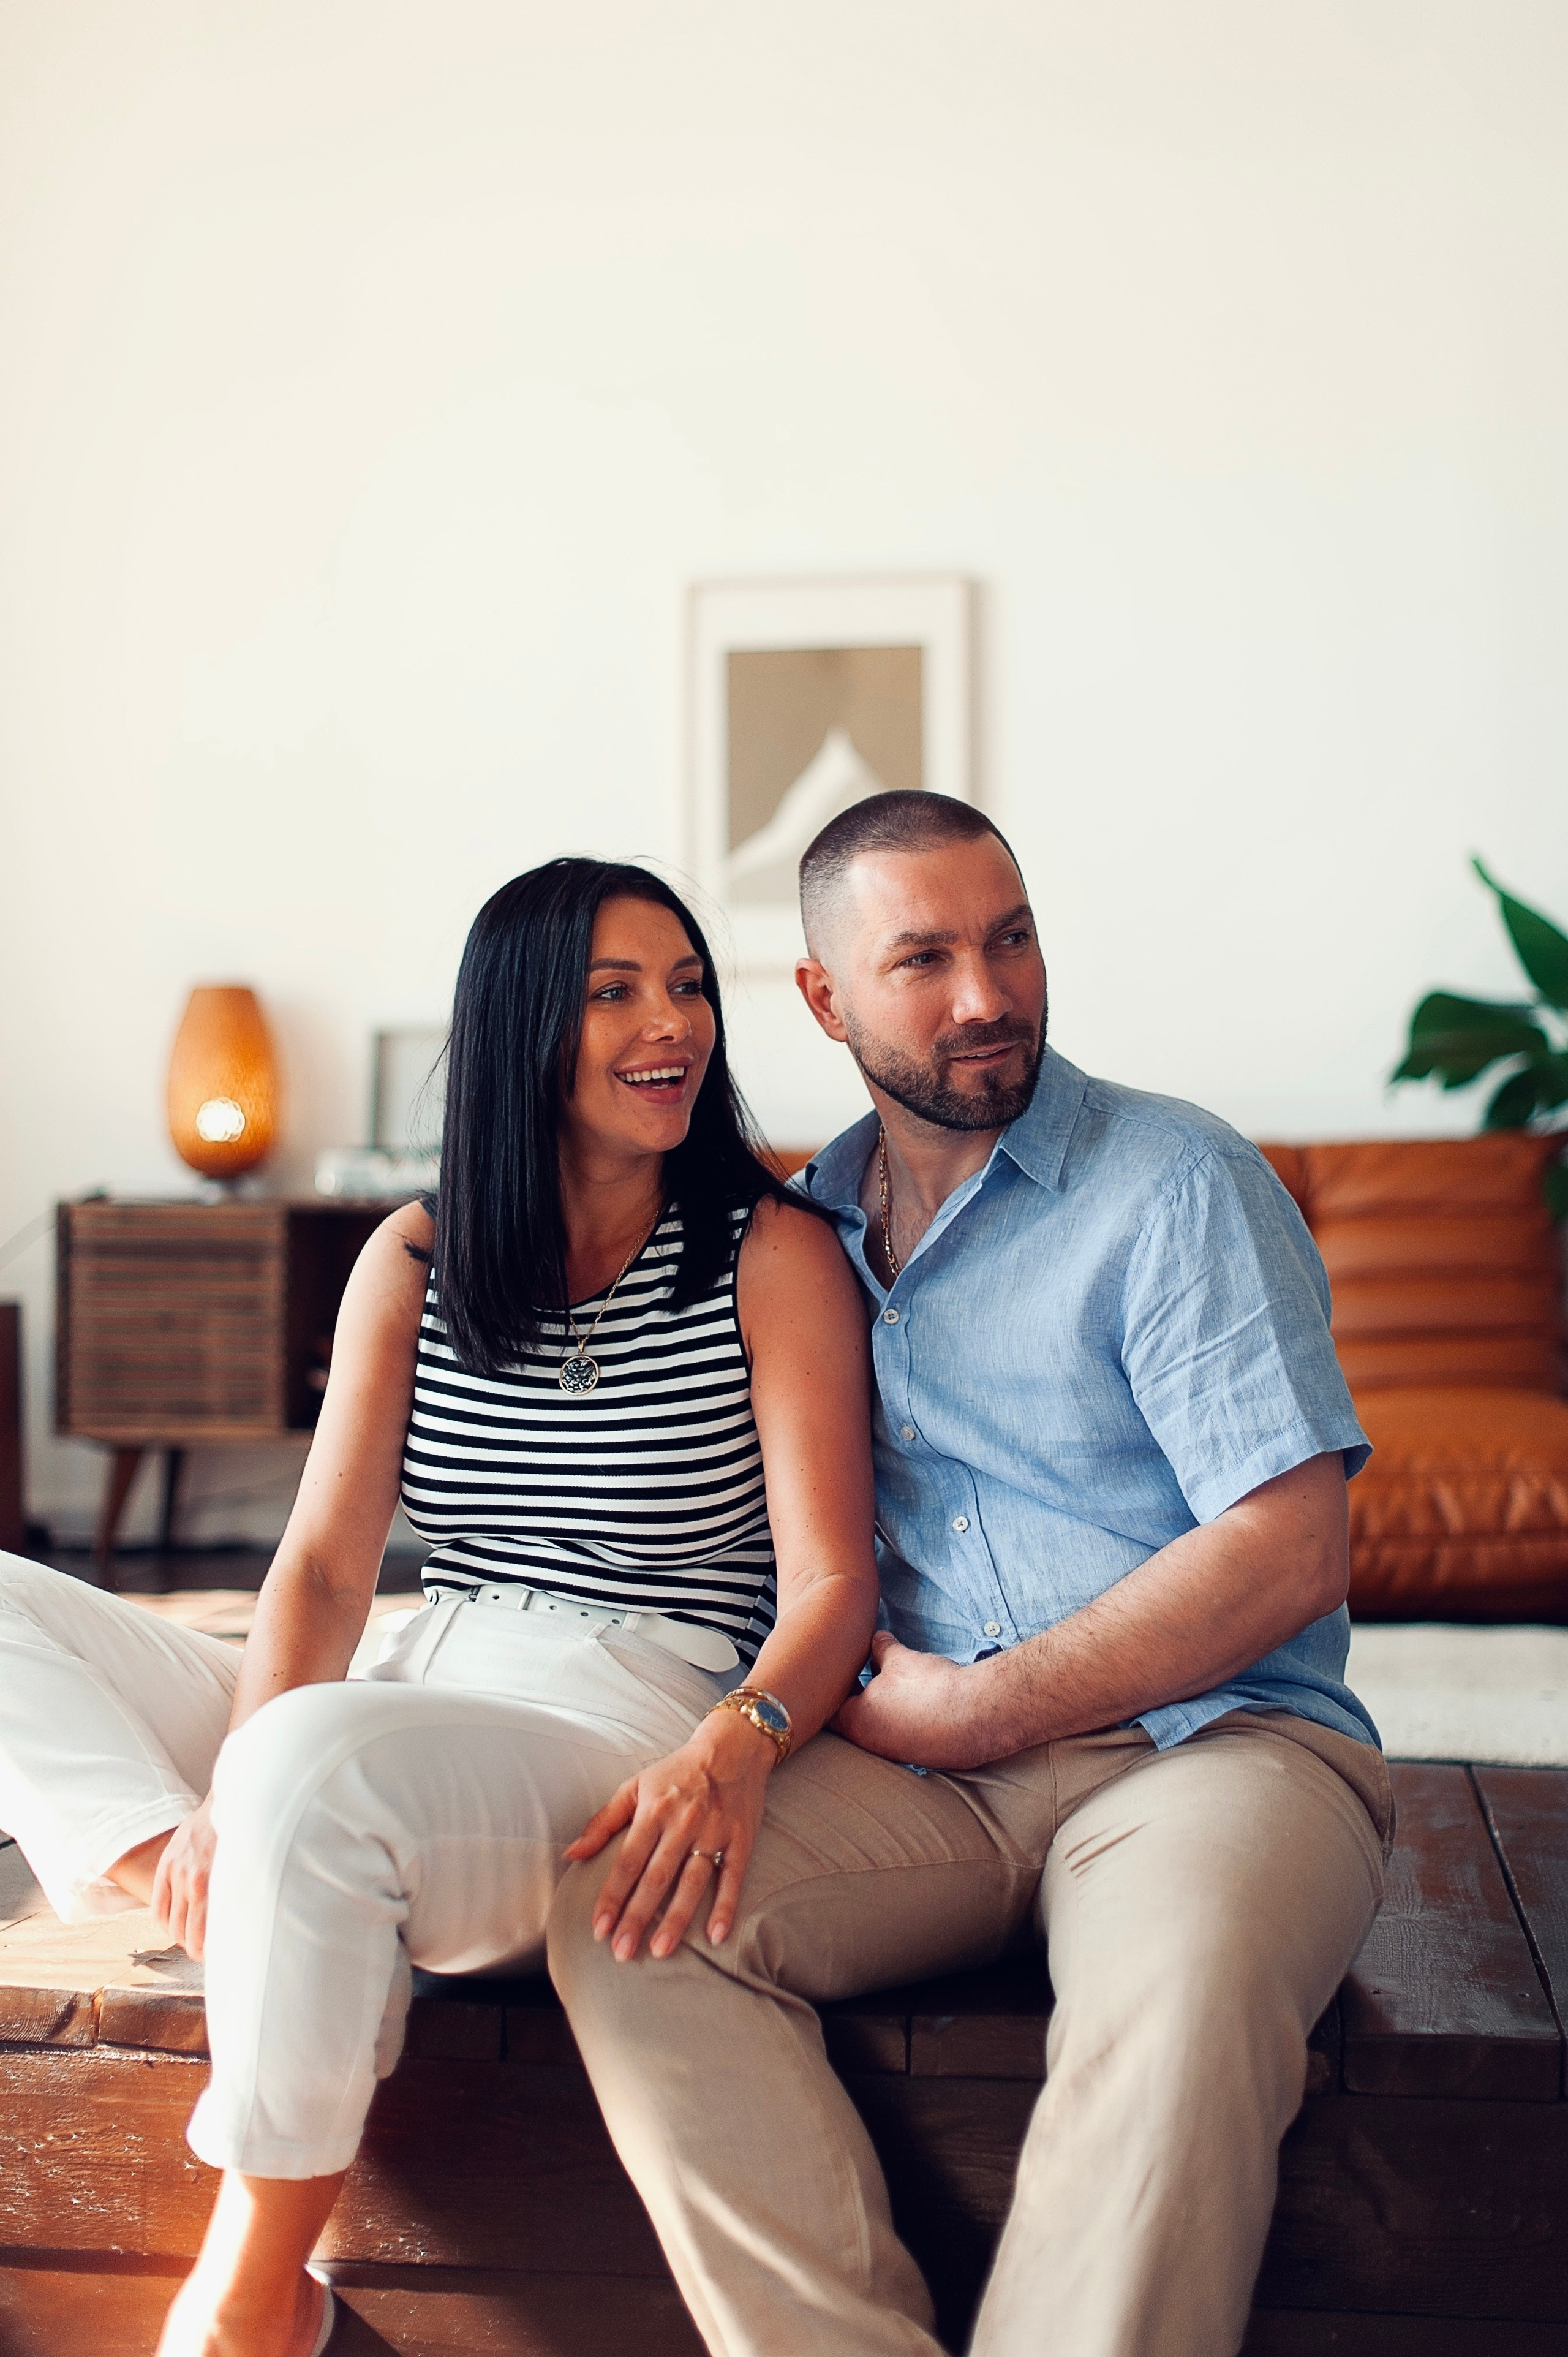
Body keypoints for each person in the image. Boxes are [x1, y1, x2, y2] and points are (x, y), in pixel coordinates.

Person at [546, 794, 1392, 2357]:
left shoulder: (1176, 1184)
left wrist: (983, 1706)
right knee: (629, 1910)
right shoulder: (793, 1231)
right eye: (921, 956)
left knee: (1179, 2004)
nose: (984, 992)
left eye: (1006, 937)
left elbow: (1292, 1547)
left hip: (1218, 1749)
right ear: (822, 1000)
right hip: (922, 1785)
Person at [0, 858, 880, 2357]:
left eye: (683, 986)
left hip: (616, 1712)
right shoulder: (414, 1257)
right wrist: (231, 1786)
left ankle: (248, 2296)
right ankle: (217, 1885)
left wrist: (736, 1741)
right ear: (524, 1025)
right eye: (614, 991)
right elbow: (328, 1572)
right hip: (419, 1675)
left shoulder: (767, 1251)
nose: (668, 1023)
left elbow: (835, 1587)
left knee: (301, 1764)